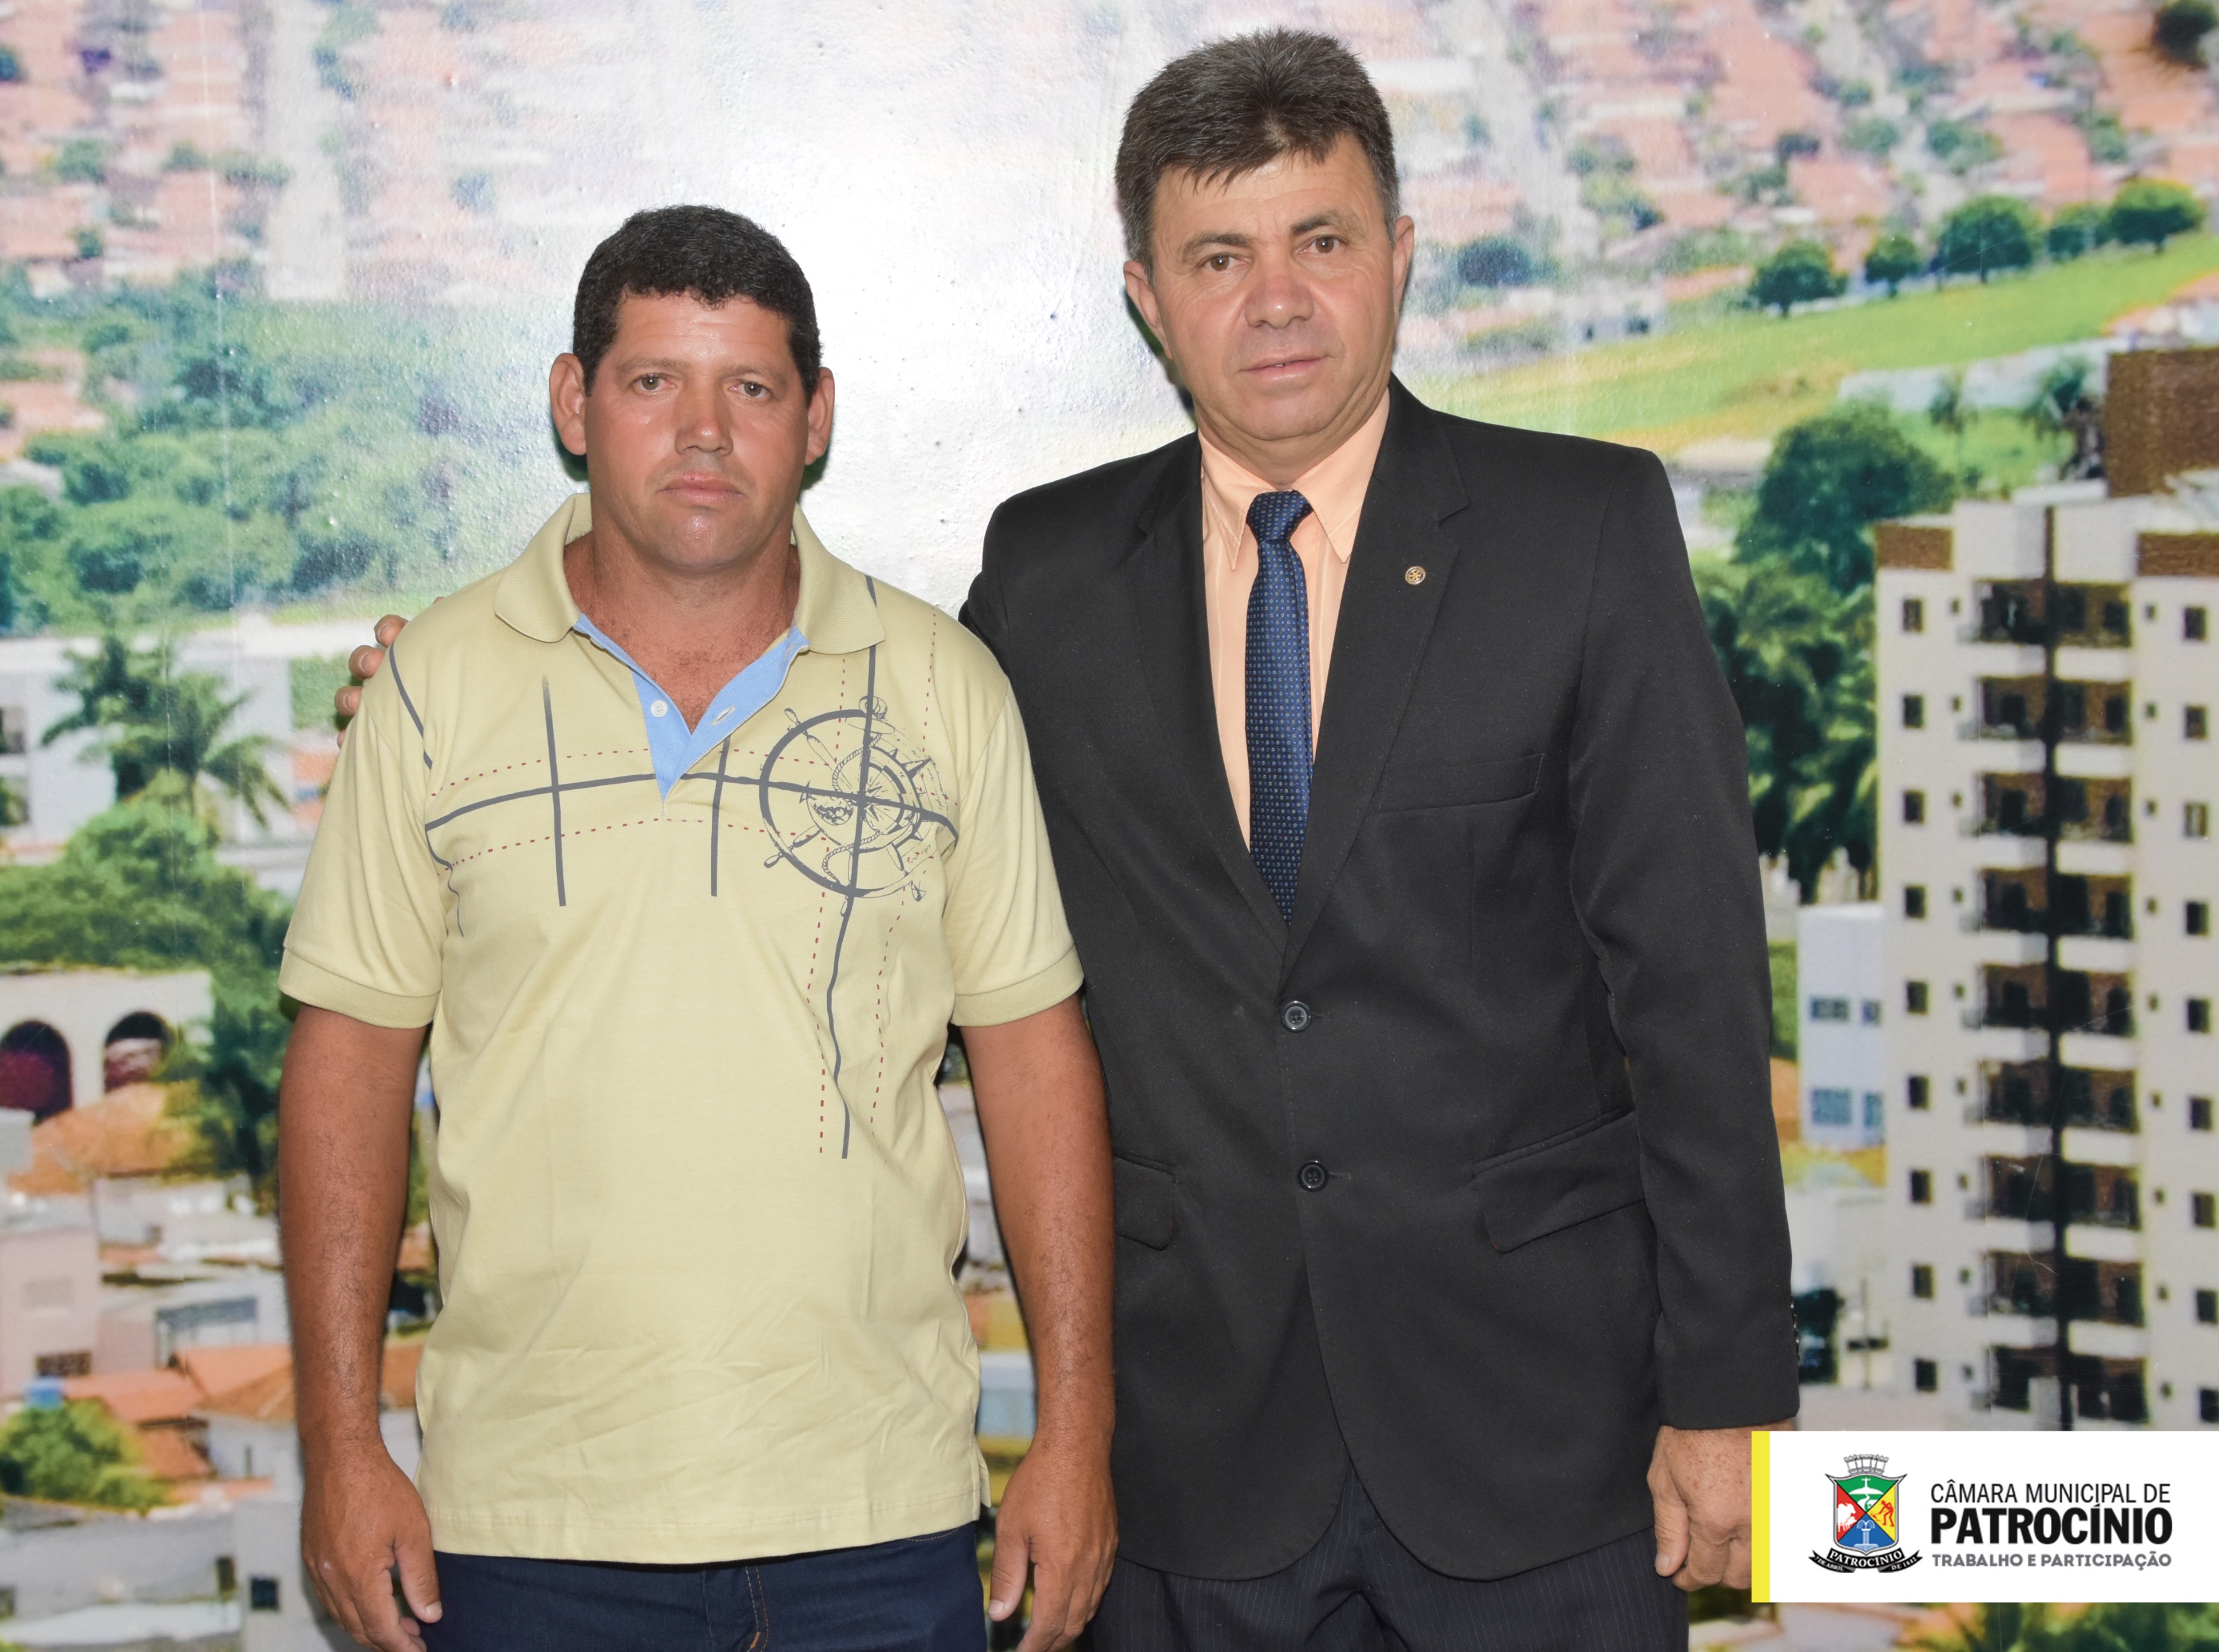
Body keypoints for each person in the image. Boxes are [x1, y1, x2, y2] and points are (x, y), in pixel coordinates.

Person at [340, 31, 1797, 1649]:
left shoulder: (1580, 529)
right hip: (1188, 1461)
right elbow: (835, 729)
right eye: (1218, 258)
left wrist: (1727, 1388)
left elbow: (1692, 986)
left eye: (1320, 241)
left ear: (1398, 256)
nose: (1276, 301)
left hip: (1539, 1433)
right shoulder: (1048, 574)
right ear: (1145, 296)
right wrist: (461, 676)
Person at [279, 205, 1117, 1652]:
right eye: (654, 380)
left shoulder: (945, 687)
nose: (704, 433)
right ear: (574, 401)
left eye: (752, 387)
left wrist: (1077, 1431)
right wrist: (341, 1447)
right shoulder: (432, 689)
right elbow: (346, 1068)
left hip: (876, 1511)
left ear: (817, 416)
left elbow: (1036, 1063)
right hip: (528, 1523)